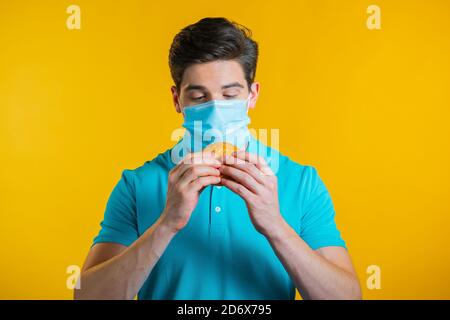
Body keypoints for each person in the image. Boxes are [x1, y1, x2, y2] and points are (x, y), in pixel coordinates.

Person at [74, 17, 361, 300]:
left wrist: (275, 225)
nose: (216, 110)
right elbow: (87, 297)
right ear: (177, 100)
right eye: (199, 97)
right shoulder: (137, 185)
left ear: (252, 95)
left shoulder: (301, 182)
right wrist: (166, 224)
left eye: (230, 94)